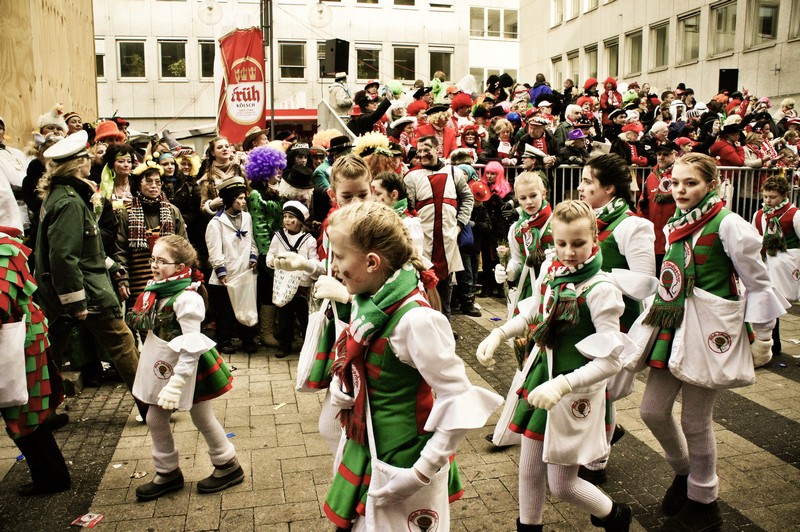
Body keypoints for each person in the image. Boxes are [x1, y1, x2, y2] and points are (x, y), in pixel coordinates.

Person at [321, 201, 502, 529]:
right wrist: (343, 385)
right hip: (369, 449)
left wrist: (420, 473)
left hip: (404, 461)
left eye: (339, 256)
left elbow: (458, 399)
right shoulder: (370, 299)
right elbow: (355, 355)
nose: (333, 267)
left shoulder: (416, 321)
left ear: (372, 262)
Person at [639, 153, 785, 531]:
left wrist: (763, 337)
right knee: (652, 411)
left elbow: (759, 282)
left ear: (712, 185)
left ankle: (705, 503)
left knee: (694, 420)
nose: (680, 190)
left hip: (709, 330)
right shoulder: (677, 221)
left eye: (691, 183)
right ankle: (686, 474)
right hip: (672, 325)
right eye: (675, 182)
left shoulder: (729, 224)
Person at [476, 200, 634, 531]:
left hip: (574, 392)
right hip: (541, 379)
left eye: (578, 243)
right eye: (561, 243)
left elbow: (611, 360)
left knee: (562, 485)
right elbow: (536, 310)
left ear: (594, 238)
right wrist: (500, 333)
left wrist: (563, 385)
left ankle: (615, 515)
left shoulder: (602, 290)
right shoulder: (552, 269)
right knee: (529, 469)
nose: (568, 252)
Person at [35, 131, 146, 419]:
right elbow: (63, 257)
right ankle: (151, 407)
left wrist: (112, 266)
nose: (90, 161)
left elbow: (84, 248)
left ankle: (42, 415)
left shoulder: (63, 195)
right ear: (77, 164)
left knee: (49, 353)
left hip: (63, 291)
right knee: (122, 343)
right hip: (87, 291)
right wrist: (76, 302)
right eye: (86, 157)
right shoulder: (70, 202)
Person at [127, 234, 241, 501]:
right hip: (165, 366)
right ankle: (167, 472)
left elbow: (191, 346)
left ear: (180, 267)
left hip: (188, 368)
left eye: (161, 261)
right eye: (153, 259)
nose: (154, 265)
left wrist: (177, 384)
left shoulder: (187, 299)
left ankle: (227, 465)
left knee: (202, 417)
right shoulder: (156, 290)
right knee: (155, 418)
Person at [577, 154, 656, 485]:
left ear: (609, 188)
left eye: (587, 182)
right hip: (585, 317)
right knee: (588, 387)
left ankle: (597, 461)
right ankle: (604, 434)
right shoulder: (586, 219)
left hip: (617, 318)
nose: (580, 187)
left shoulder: (632, 225)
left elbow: (646, 282)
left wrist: (596, 280)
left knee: (603, 389)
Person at [0, 209, 71, 496]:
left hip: (17, 343)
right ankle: (50, 475)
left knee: (24, 415)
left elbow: (1, 303)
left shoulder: (3, 249)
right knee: (27, 413)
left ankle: (52, 477)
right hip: (21, 338)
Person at [404, 135, 474, 317]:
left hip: (448, 240)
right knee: (423, 288)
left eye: (426, 149)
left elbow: (468, 198)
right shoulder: (411, 177)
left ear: (437, 149)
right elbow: (408, 209)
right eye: (419, 151)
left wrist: (459, 225)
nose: (422, 154)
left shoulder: (454, 172)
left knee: (445, 290)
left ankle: (445, 324)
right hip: (423, 243)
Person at [115, 161, 187, 306]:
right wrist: (123, 280)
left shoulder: (172, 211)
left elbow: (184, 247)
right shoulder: (126, 213)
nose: (154, 186)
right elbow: (121, 249)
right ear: (138, 184)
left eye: (158, 182)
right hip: (138, 281)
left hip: (169, 282)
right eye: (148, 181)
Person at [205, 176, 259, 354]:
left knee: (246, 306)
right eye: (239, 198)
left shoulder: (247, 217)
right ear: (229, 199)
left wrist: (253, 256)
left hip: (244, 272)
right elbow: (214, 250)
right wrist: (221, 271)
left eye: (244, 198)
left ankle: (248, 338)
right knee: (225, 311)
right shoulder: (216, 223)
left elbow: (251, 240)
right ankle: (224, 340)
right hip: (226, 275)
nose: (243, 202)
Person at [752, 175, 799, 362]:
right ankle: (774, 343)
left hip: (790, 264)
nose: (768, 200)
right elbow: (754, 237)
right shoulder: (759, 214)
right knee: (771, 301)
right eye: (765, 197)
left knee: (790, 299)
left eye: (773, 197)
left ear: (784, 195)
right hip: (767, 264)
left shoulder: (794, 214)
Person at [494, 171, 552, 317]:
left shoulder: (557, 222)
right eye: (523, 198)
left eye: (533, 196)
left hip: (554, 290)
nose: (529, 202)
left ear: (543, 193)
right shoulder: (516, 229)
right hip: (528, 290)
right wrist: (507, 272)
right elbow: (518, 261)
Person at [244, 146, 286, 348]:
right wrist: (267, 254)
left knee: (276, 288)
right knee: (267, 289)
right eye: (274, 168)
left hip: (280, 246)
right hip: (266, 250)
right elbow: (259, 225)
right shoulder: (256, 195)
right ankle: (265, 332)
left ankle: (273, 329)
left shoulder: (276, 191)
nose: (278, 171)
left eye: (279, 167)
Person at [266, 201, 318, 357]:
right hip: (284, 283)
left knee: (304, 317)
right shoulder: (278, 237)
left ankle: (307, 345)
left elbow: (314, 260)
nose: (287, 220)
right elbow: (270, 254)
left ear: (300, 221)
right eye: (285, 216)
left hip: (302, 285)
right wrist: (274, 261)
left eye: (291, 217)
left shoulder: (309, 240)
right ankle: (285, 344)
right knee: (284, 316)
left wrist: (306, 272)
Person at [638, 142, 679, 271]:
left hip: (674, 236)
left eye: (665, 154)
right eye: (659, 154)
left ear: (675, 155)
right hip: (654, 238)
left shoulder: (680, 175)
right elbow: (643, 204)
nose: (661, 157)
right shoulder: (651, 177)